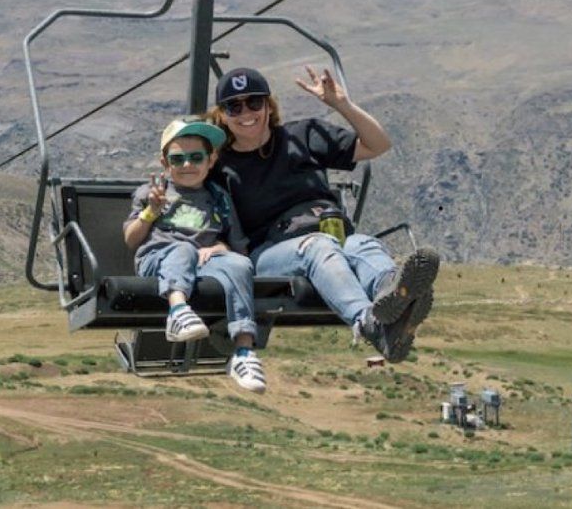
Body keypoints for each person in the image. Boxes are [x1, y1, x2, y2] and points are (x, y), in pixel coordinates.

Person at [207, 66, 439, 362]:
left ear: (268, 106)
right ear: (222, 115)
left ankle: (394, 295)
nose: (246, 113)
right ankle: (367, 321)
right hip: (271, 253)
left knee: (363, 244)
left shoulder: (302, 136)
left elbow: (378, 145)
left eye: (254, 103)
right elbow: (191, 194)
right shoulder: (220, 165)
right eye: (234, 107)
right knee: (317, 247)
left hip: (332, 233)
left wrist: (342, 105)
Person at [123, 117, 266, 393]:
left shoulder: (218, 198)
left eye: (196, 157)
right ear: (165, 163)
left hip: (202, 262)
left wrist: (220, 248)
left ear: (211, 160)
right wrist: (151, 212)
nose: (187, 165)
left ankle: (243, 352)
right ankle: (177, 311)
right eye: (178, 159)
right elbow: (131, 239)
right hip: (159, 261)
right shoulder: (153, 193)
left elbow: (238, 246)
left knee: (239, 265)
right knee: (184, 249)